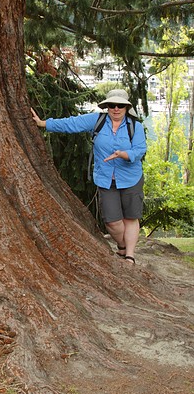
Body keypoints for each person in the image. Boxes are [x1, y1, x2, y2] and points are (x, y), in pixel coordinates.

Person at [31, 89, 147, 264]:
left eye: (120, 105)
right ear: (106, 106)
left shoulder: (134, 126)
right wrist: (43, 124)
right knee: (112, 222)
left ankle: (129, 255)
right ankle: (122, 245)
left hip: (130, 178)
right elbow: (71, 124)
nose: (116, 108)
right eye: (112, 105)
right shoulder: (97, 121)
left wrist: (124, 154)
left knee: (130, 217)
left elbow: (140, 150)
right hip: (106, 179)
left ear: (126, 107)